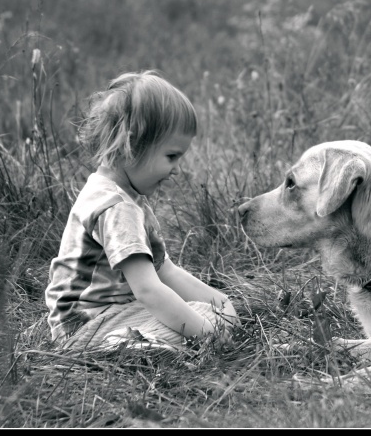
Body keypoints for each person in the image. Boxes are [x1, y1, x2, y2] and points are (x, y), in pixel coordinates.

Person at [45, 71, 237, 351]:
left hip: (110, 316)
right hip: (85, 329)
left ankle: (142, 343)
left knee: (214, 314)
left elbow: (165, 272)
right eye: (171, 156)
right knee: (198, 322)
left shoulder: (125, 196)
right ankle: (126, 347)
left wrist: (222, 305)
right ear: (133, 145)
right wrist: (211, 335)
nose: (176, 169)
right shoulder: (117, 207)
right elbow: (148, 289)